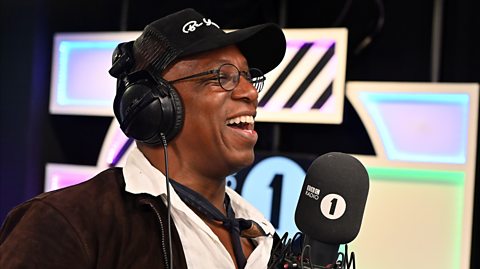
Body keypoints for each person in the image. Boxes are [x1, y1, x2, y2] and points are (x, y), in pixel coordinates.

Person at [0, 8, 286, 269]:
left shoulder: (263, 235)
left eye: (249, 76)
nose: (250, 92)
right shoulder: (66, 224)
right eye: (221, 77)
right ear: (152, 104)